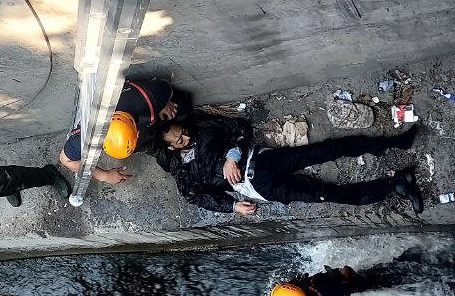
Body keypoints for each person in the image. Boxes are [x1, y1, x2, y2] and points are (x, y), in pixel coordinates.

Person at [154, 111, 424, 215]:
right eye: (179, 140)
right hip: (258, 188)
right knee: (326, 193)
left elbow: (239, 126)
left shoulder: (201, 127)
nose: (186, 138)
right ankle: (395, 183)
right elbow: (200, 199)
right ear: (170, 147)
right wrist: (233, 206)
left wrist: (232, 155)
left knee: (325, 150)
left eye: (184, 132)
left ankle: (394, 143)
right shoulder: (184, 176)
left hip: (260, 160)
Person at [59, 77, 186, 185]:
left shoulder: (148, 97)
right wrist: (103, 175)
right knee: (154, 147)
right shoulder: (88, 134)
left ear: (137, 132)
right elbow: (65, 160)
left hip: (141, 105)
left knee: (184, 105)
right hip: (139, 118)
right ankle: (151, 146)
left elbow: (165, 85)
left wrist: (163, 104)